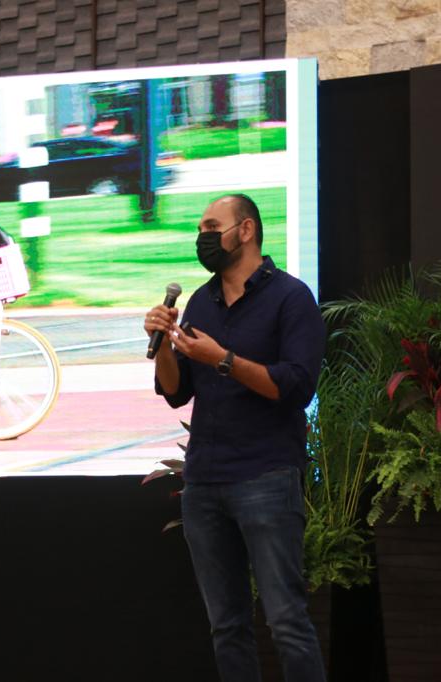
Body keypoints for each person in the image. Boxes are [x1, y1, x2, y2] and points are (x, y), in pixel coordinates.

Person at [144, 194, 327, 681]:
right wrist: (164, 343)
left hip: (266, 476)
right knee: (226, 626)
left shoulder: (291, 297)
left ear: (245, 231)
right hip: (205, 482)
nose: (203, 237)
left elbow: (294, 388)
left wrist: (223, 359)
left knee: (287, 621)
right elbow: (176, 391)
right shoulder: (202, 301)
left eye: (211, 226)